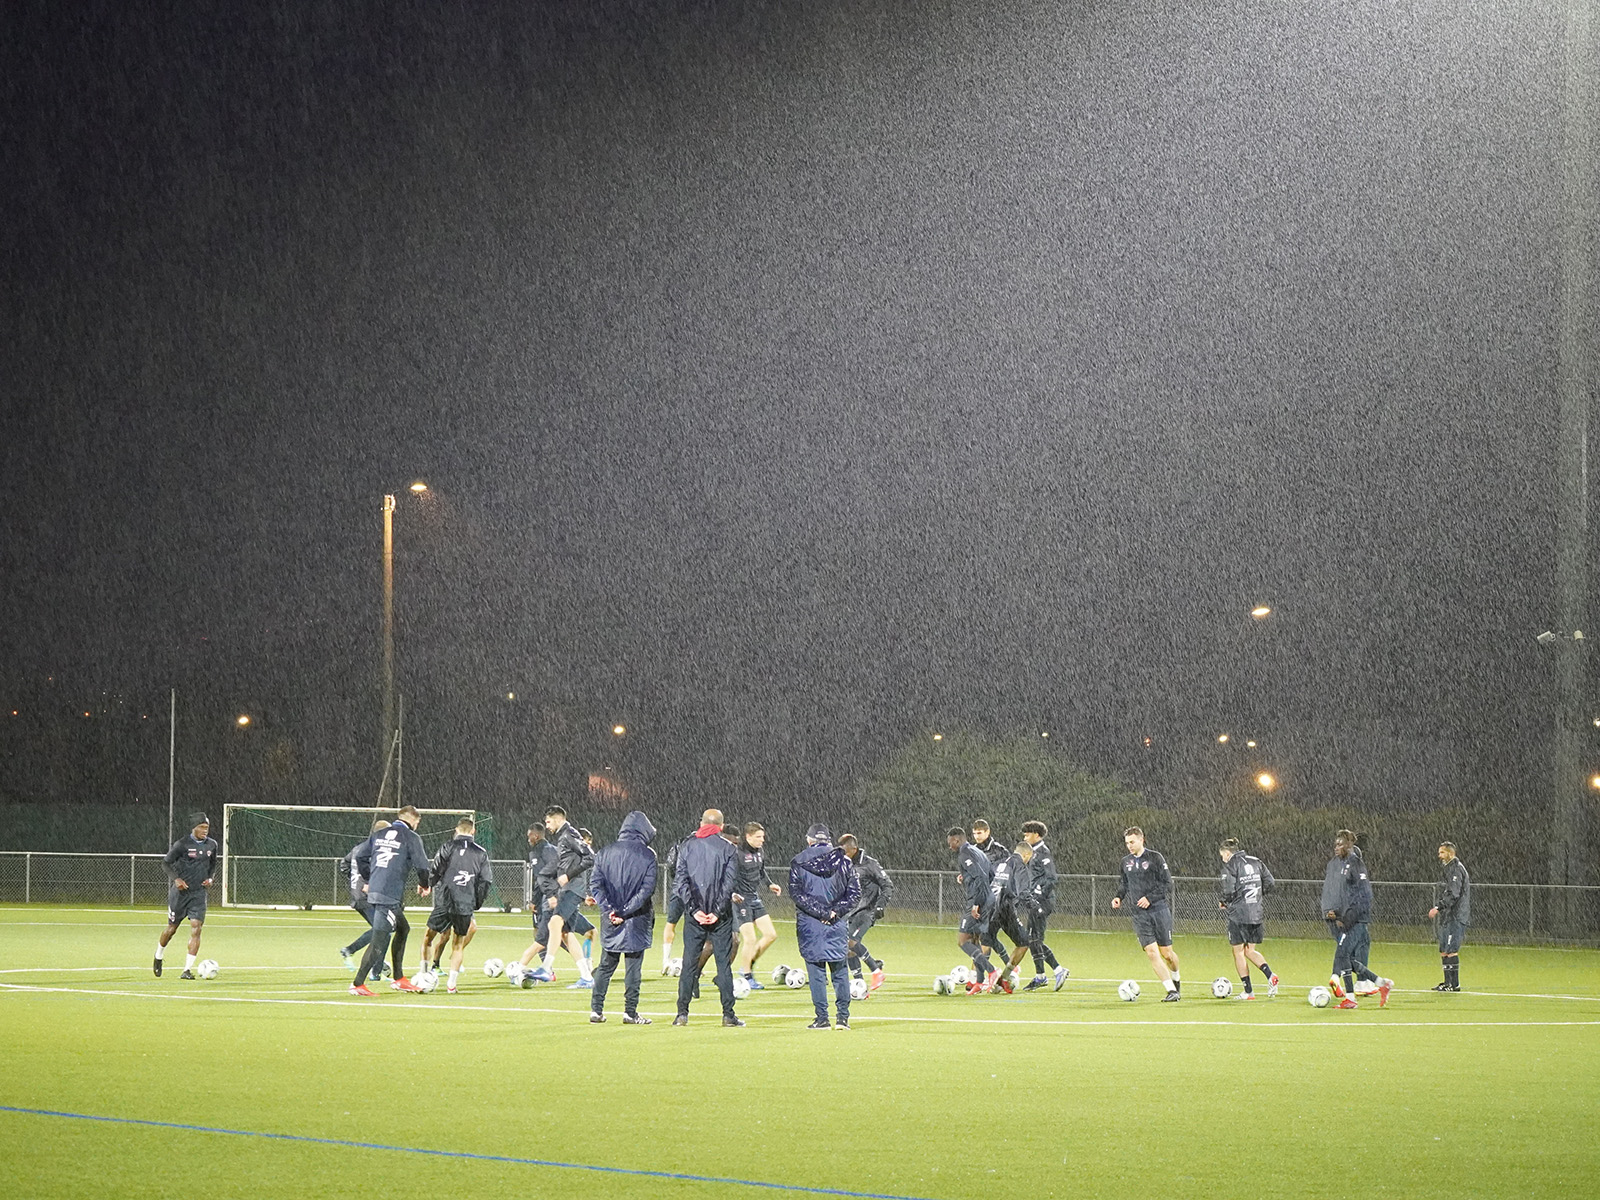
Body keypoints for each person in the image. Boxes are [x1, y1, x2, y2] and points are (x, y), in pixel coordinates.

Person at [671, 808, 743, 1026]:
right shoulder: (729, 849)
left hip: (695, 918)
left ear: (701, 823)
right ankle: (728, 1015)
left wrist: (694, 910)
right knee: (723, 965)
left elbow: (679, 883)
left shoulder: (687, 846)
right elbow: (729, 884)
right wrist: (717, 911)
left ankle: (682, 1014)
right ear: (721, 826)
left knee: (689, 964)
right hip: (720, 918)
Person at [350, 806, 432, 995]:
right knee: (379, 940)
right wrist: (424, 884)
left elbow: (361, 856)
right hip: (388, 894)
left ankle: (399, 978)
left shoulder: (380, 834)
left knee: (403, 929)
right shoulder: (411, 837)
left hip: (379, 891)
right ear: (414, 820)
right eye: (418, 822)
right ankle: (357, 984)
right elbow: (422, 866)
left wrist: (371, 878)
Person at [588, 810, 658, 1025]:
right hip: (636, 919)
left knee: (606, 965)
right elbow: (647, 891)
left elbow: (595, 885)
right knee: (633, 967)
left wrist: (610, 909)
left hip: (610, 919)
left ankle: (596, 1010)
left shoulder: (604, 852)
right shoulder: (648, 855)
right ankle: (630, 1012)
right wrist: (625, 911)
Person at [790, 823, 861, 1030]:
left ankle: (822, 1018)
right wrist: (834, 912)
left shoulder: (799, 861)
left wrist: (820, 912)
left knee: (816, 973)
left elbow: (797, 894)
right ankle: (843, 1018)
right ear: (829, 840)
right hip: (836, 924)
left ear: (809, 839)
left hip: (810, 924)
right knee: (839, 971)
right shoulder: (845, 862)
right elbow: (854, 895)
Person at [1321, 829, 1392, 1009]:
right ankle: (1381, 983)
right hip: (1347, 918)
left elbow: (1364, 895)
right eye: (1335, 844)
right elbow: (1346, 896)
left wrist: (1349, 918)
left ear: (1349, 846)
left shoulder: (1355, 864)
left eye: (1340, 844)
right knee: (1348, 958)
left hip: (1357, 920)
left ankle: (1351, 999)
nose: (1336, 847)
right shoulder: (1343, 865)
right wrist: (1336, 912)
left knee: (1344, 954)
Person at [528, 806, 597, 988]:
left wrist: (569, 875)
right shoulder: (563, 836)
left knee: (554, 923)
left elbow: (590, 858)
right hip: (569, 889)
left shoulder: (569, 834)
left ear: (558, 819)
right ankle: (587, 977)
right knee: (566, 934)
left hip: (572, 889)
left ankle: (546, 967)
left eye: (548, 822)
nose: (547, 826)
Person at [1111, 827, 1181, 1001]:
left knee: (1167, 955)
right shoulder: (1125, 862)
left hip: (1158, 910)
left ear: (1142, 840)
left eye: (1132, 842)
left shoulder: (1155, 858)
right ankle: (1171, 991)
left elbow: (1167, 884)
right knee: (1151, 952)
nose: (1129, 846)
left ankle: (1176, 980)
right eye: (1127, 843)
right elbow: (1124, 883)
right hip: (1139, 914)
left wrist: (1150, 898)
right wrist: (1119, 897)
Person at [425, 816, 493, 994]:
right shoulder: (480, 852)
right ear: (473, 831)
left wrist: (429, 885)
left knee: (428, 938)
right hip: (464, 903)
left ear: (456, 830)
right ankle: (451, 985)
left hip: (445, 901)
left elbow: (436, 868)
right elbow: (486, 881)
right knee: (458, 943)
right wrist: (476, 902)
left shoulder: (448, 846)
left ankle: (424, 974)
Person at [155, 812, 219, 980]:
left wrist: (211, 878)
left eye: (207, 828)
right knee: (171, 929)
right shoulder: (182, 844)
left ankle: (187, 970)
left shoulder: (212, 845)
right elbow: (165, 863)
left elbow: (213, 865)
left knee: (196, 929)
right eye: (202, 828)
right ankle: (158, 956)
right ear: (194, 828)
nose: (205, 831)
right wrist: (176, 879)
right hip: (180, 895)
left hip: (198, 894)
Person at [1217, 837, 1279, 999]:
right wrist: (1258, 895)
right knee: (1250, 950)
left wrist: (1224, 902)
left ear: (1227, 853)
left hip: (1238, 914)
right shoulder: (1256, 861)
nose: (1222, 859)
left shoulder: (1231, 865)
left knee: (1238, 952)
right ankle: (1271, 976)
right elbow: (1270, 882)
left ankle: (1248, 991)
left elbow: (1229, 890)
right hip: (1256, 912)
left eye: (1222, 855)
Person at [945, 826, 1000, 993]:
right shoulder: (978, 852)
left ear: (957, 840)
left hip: (978, 900)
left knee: (963, 941)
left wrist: (976, 902)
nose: (950, 847)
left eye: (950, 843)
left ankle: (992, 971)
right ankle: (980, 982)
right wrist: (967, 879)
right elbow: (990, 874)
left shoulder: (965, 853)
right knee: (976, 940)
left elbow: (979, 876)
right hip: (988, 897)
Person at [732, 822, 783, 989]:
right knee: (750, 939)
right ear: (748, 837)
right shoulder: (737, 853)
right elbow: (728, 875)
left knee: (770, 935)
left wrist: (770, 884)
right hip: (741, 900)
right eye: (758, 837)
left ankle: (748, 963)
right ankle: (746, 976)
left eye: (763, 836)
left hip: (754, 898)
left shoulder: (760, 851)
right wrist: (732, 893)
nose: (762, 840)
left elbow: (762, 871)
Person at [338, 820, 391, 977]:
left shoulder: (358, 848)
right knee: (383, 930)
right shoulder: (374, 848)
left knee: (384, 931)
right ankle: (351, 951)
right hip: (367, 896)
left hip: (358, 895)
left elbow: (344, 864)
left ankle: (377, 969)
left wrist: (355, 880)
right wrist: (367, 882)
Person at [1020, 821, 1068, 991]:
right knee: (1032, 939)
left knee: (1035, 939)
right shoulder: (1032, 853)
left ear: (1037, 835)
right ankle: (1041, 976)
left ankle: (1058, 970)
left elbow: (1052, 878)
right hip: (1035, 901)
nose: (1024, 837)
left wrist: (1039, 897)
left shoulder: (1043, 852)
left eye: (1027, 834)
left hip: (1043, 901)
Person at [840, 833, 891, 992]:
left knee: (851, 942)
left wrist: (880, 906)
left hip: (867, 911)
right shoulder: (846, 864)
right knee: (847, 948)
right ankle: (860, 986)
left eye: (845, 851)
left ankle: (876, 971)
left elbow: (887, 885)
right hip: (852, 912)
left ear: (853, 849)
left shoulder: (870, 864)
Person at [516, 824, 562, 977]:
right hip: (558, 895)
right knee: (563, 934)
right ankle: (585, 965)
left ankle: (546, 970)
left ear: (535, 836)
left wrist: (536, 899)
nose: (527, 838)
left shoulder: (539, 851)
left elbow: (541, 878)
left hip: (547, 898)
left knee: (541, 935)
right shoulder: (553, 849)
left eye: (529, 835)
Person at [1428, 842, 1471, 992]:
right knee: (1443, 949)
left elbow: (1454, 893)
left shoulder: (1456, 870)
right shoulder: (1450, 869)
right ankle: (1447, 983)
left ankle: (1454, 984)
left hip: (1456, 915)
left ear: (1450, 854)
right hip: (1449, 915)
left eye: (1442, 853)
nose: (1439, 856)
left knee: (1451, 949)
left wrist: (1438, 907)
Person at [659, 827, 694, 975]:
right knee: (692, 928)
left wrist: (679, 880)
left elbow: (671, 865)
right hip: (694, 891)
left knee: (671, 923)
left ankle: (665, 961)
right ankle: (692, 965)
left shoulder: (680, 844)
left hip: (679, 888)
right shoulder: (700, 847)